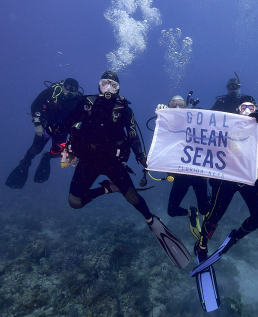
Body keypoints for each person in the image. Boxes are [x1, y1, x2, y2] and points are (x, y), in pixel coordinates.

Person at [48, 71, 191, 269]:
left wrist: (141, 157)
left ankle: (151, 221)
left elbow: (133, 135)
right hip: (87, 161)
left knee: (133, 197)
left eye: (113, 85)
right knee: (75, 202)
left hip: (111, 161)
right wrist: (55, 127)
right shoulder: (86, 103)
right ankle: (109, 189)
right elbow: (68, 120)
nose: (108, 89)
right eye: (105, 84)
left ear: (118, 88)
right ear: (99, 86)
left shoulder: (124, 109)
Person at [188, 96, 258, 275]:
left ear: (256, 108)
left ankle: (235, 238)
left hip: (252, 178)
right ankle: (202, 245)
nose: (247, 111)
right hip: (228, 177)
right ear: (237, 109)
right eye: (243, 107)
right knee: (214, 215)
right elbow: (206, 135)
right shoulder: (227, 123)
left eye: (250, 107)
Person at [5, 78, 80, 188]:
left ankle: (47, 157)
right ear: (63, 86)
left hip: (62, 131)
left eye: (73, 89)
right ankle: (26, 161)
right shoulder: (51, 93)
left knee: (57, 152)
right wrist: (38, 125)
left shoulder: (78, 101)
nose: (70, 91)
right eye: (67, 87)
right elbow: (34, 106)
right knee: (35, 149)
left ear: (77, 91)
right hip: (45, 127)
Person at [158, 95, 212, 239]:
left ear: (186, 106)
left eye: (180, 104)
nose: (177, 107)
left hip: (198, 174)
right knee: (171, 210)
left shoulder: (196, 120)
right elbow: (161, 142)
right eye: (173, 104)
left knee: (205, 209)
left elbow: (210, 133)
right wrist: (161, 114)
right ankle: (191, 214)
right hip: (180, 175)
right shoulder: (168, 124)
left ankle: (207, 209)